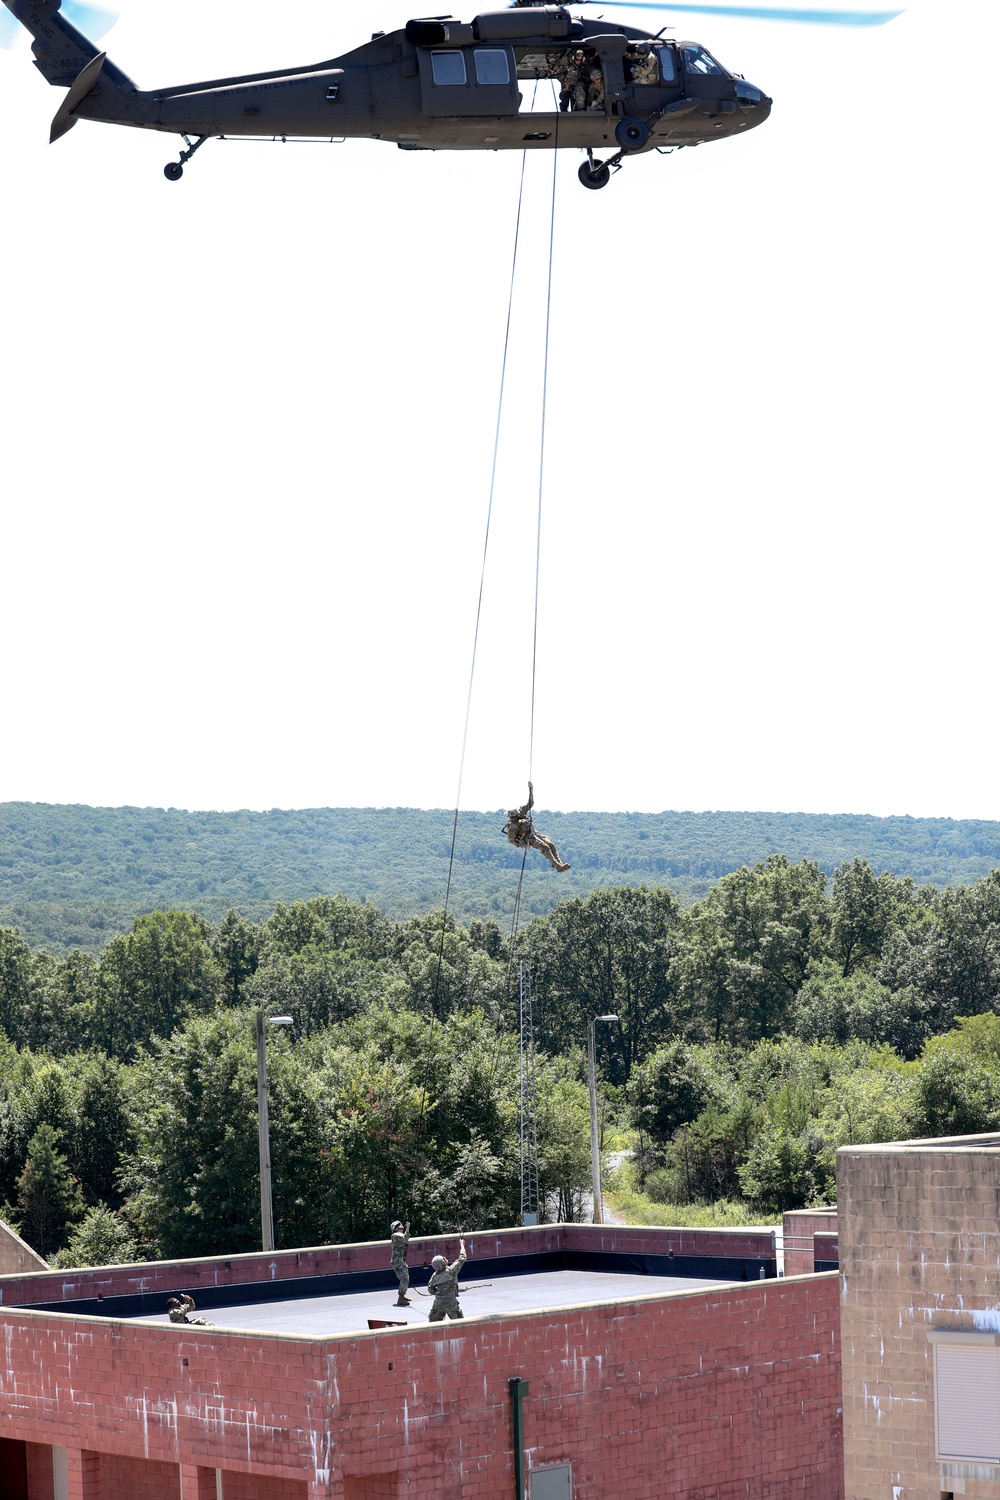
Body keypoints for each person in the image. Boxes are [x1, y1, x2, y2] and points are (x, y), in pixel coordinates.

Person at [503, 782, 570, 873]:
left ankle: (560, 864)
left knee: (551, 845)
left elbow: (530, 803)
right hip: (527, 838)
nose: (513, 819)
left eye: (514, 817)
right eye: (511, 817)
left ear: (517, 814)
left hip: (533, 832)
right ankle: (557, 866)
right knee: (545, 847)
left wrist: (531, 790)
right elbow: (512, 840)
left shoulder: (521, 812)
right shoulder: (512, 827)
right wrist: (521, 843)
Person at [427, 1239, 467, 1322]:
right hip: (451, 1302)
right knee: (459, 1322)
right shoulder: (451, 1270)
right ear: (443, 1263)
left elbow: (430, 1289)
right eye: (443, 1259)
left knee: (433, 1321)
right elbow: (462, 1258)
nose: (445, 1258)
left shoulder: (434, 1276)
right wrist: (462, 1245)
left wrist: (438, 1292)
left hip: (438, 1302)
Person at [390, 1219, 411, 1306]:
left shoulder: (398, 1235)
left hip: (400, 1260)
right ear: (395, 1228)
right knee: (404, 1278)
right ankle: (401, 1297)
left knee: (406, 1277)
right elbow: (405, 1238)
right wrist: (408, 1228)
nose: (402, 1227)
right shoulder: (396, 1235)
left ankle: (402, 1295)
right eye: (400, 1226)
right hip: (398, 1261)